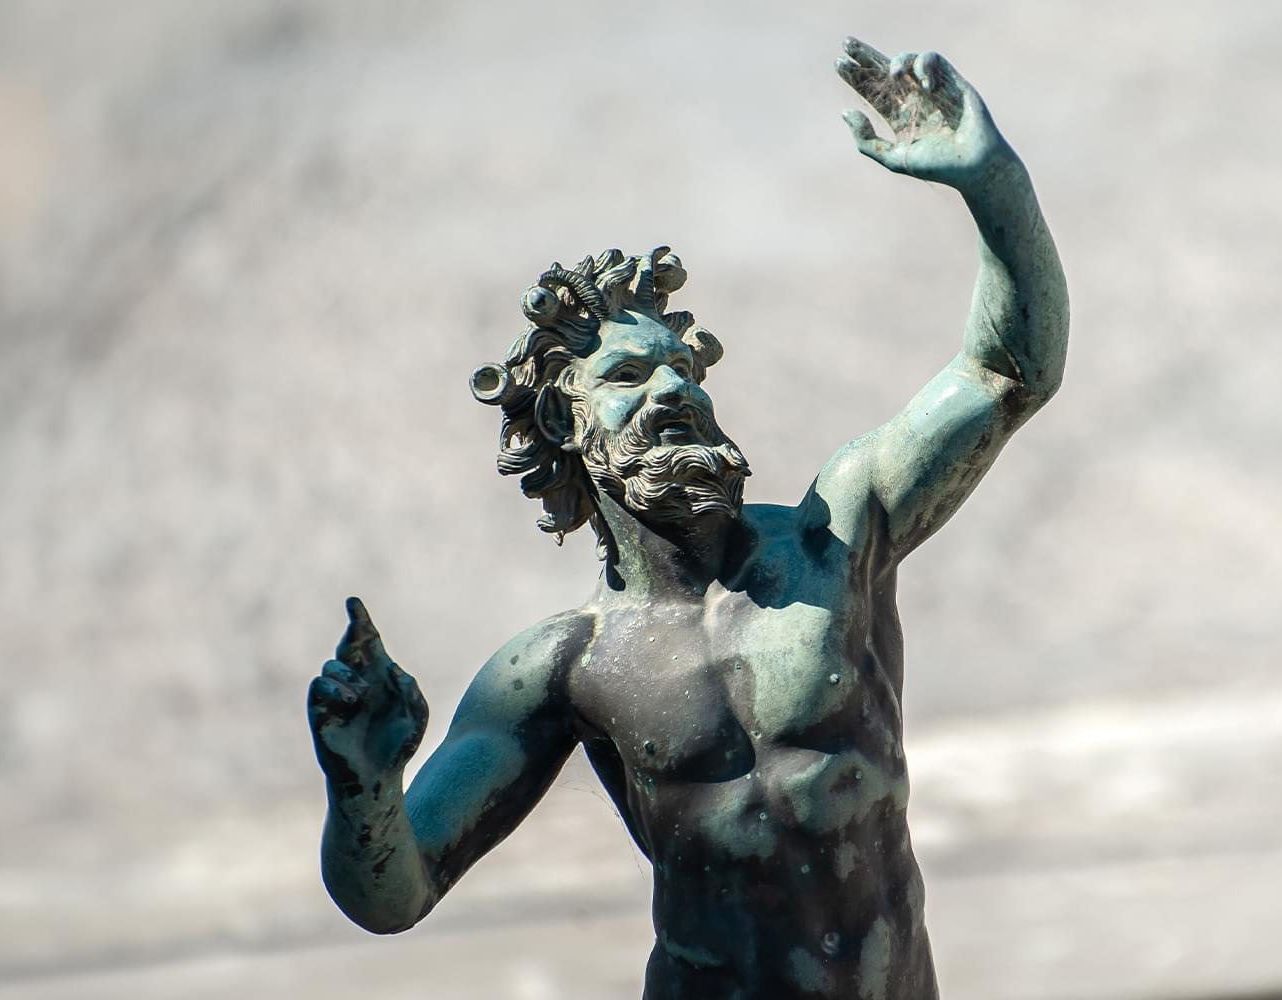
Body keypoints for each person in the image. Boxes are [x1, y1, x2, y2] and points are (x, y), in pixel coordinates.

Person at [307, 37, 1068, 1000]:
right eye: (631, 375)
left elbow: (1006, 374)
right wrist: (363, 785)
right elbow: (395, 893)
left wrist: (996, 187)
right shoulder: (561, 668)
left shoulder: (835, 536)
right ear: (565, 424)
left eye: (683, 369)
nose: (674, 390)